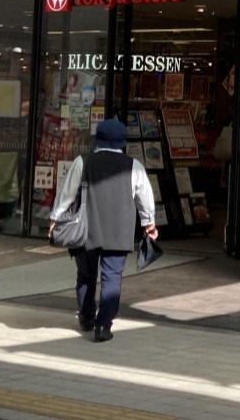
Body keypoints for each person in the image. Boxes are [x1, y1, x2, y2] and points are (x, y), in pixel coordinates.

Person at [48, 119, 157, 342]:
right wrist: (149, 224)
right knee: (112, 279)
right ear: (122, 142)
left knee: (86, 276)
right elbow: (145, 198)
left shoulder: (83, 161)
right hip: (119, 232)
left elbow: (66, 194)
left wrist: (55, 219)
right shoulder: (133, 165)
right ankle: (103, 325)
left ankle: (86, 317)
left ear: (97, 139)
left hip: (86, 230)